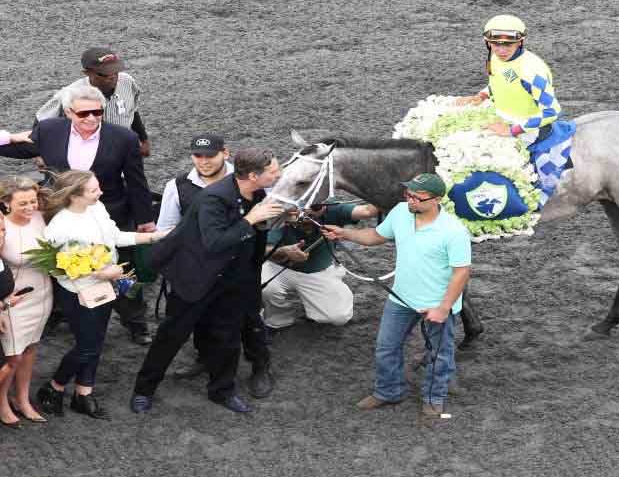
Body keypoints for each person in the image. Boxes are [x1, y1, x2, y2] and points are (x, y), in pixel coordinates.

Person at [130, 148, 284, 414]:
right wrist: (251, 219)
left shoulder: (257, 193)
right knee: (171, 336)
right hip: (195, 279)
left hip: (234, 279)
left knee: (227, 337)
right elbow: (214, 243)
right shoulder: (213, 198)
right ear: (252, 176)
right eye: (273, 171)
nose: (279, 175)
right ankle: (144, 389)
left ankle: (222, 390)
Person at [2, 83, 157, 345]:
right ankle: (59, 313)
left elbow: (136, 180)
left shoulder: (124, 138)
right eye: (84, 113)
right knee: (61, 262)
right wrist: (10, 136)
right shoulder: (50, 130)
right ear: (68, 112)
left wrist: (145, 219)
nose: (92, 119)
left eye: (97, 112)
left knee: (120, 265)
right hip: (59, 213)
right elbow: (20, 149)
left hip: (109, 211)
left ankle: (135, 321)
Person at [321, 173, 471, 416]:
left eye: (417, 198)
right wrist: (343, 233)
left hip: (436, 303)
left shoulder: (453, 231)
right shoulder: (401, 212)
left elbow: (461, 274)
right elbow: (376, 236)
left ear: (437, 200)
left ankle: (434, 397)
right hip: (400, 298)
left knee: (439, 353)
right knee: (386, 347)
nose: (411, 201)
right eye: (408, 195)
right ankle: (387, 391)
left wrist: (443, 308)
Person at [35, 171, 167, 420]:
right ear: (74, 195)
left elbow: (115, 237)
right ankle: (54, 386)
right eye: (94, 190)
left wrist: (152, 236)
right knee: (87, 347)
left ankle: (84, 394)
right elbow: (57, 267)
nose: (101, 192)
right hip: (79, 293)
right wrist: (103, 273)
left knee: (94, 343)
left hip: (107, 286)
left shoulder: (97, 208)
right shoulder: (60, 227)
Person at [261, 200, 379, 331]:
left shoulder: (333, 209)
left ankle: (321, 296)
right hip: (279, 269)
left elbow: (368, 210)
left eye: (317, 205)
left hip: (319, 271)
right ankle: (279, 318)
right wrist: (284, 252)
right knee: (265, 287)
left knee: (338, 317)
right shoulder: (282, 212)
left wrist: (389, 193)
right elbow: (264, 250)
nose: (316, 208)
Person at [457, 14, 562, 144]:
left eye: (508, 45)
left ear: (519, 42)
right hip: (503, 118)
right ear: (488, 42)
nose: (501, 51)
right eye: (496, 44)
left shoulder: (532, 71)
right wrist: (482, 96)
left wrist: (512, 130)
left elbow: (551, 111)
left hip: (530, 131)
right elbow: (504, 82)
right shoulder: (495, 58)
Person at [0, 177, 53, 427]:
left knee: (31, 348)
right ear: (6, 204)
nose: (30, 207)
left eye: (33, 201)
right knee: (13, 356)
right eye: (23, 203)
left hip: (43, 293)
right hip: (13, 300)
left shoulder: (42, 216)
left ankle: (22, 399)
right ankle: (2, 403)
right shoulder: (1, 228)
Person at [35, 47, 151, 157]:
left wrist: (143, 139)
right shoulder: (71, 94)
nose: (112, 77)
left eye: (115, 71)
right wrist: (39, 156)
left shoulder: (127, 82)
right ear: (87, 73)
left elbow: (133, 111)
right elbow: (40, 122)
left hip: (120, 151)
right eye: (104, 74)